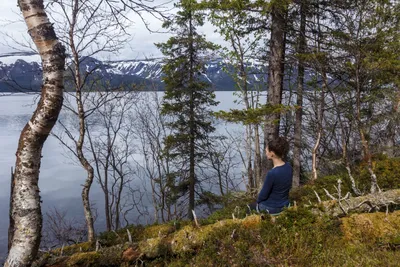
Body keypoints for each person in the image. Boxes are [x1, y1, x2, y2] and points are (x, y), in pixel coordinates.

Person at [250, 137, 293, 215]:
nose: (266, 153)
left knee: (249, 207)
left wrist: (257, 202)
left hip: (272, 208)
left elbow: (263, 195)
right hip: (285, 204)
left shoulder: (272, 173)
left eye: (266, 151)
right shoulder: (289, 167)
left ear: (272, 153)